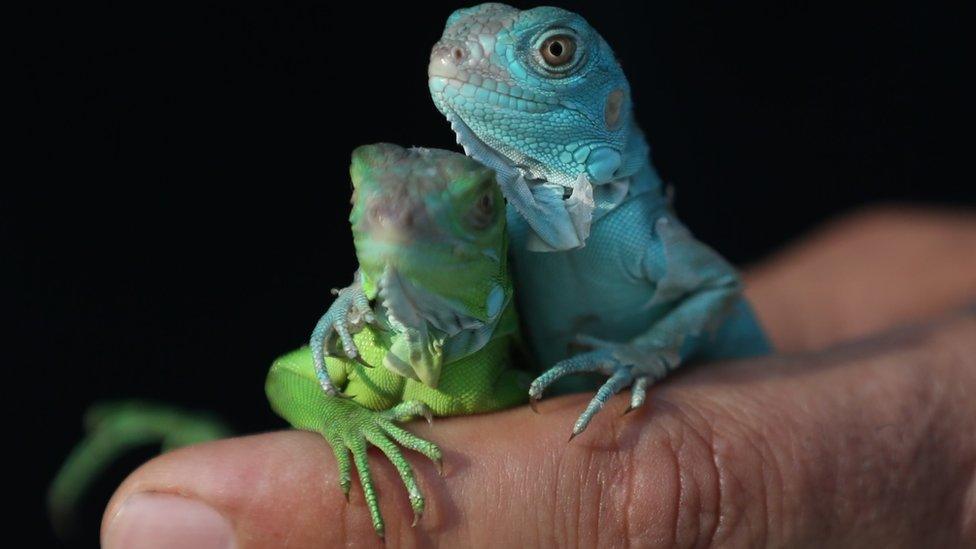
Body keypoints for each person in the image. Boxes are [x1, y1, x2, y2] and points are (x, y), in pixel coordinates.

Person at [100, 206, 976, 548]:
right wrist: (337, 422)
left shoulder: (512, 364)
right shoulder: (362, 341)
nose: (399, 230)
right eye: (372, 213)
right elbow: (285, 380)